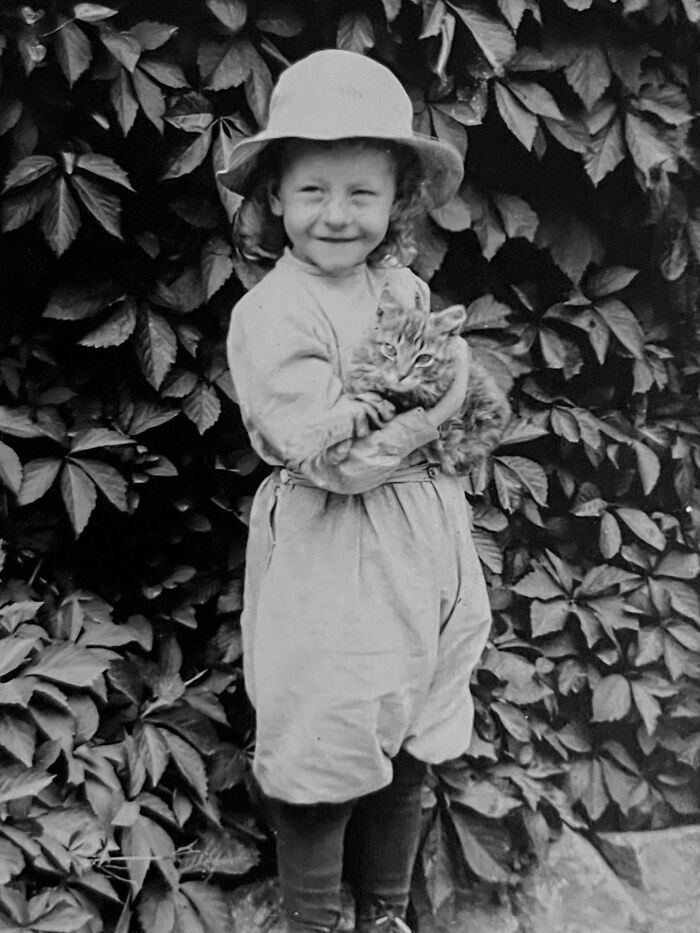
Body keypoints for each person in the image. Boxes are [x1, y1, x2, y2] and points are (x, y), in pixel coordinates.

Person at [220, 49, 492, 933]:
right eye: (313, 191)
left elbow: (441, 387)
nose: (336, 215)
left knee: (408, 723)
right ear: (274, 197)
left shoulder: (401, 286)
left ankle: (383, 914)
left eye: (362, 193)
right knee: (325, 733)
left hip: (419, 547)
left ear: (399, 200)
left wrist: (452, 400)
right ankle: (311, 919)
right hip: (333, 550)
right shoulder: (274, 312)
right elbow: (330, 455)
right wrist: (439, 400)